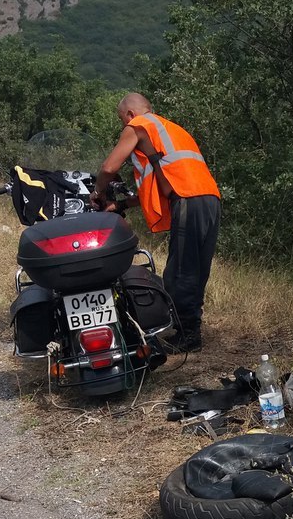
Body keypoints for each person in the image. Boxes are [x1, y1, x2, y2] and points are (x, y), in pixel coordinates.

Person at [93, 93, 221, 352]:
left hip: (187, 199)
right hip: (209, 199)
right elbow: (161, 183)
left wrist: (97, 192)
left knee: (179, 273)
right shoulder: (171, 129)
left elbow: (109, 168)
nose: (124, 127)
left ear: (130, 114)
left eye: (122, 121)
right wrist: (120, 204)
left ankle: (188, 335)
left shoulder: (139, 125)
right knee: (196, 270)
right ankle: (191, 328)